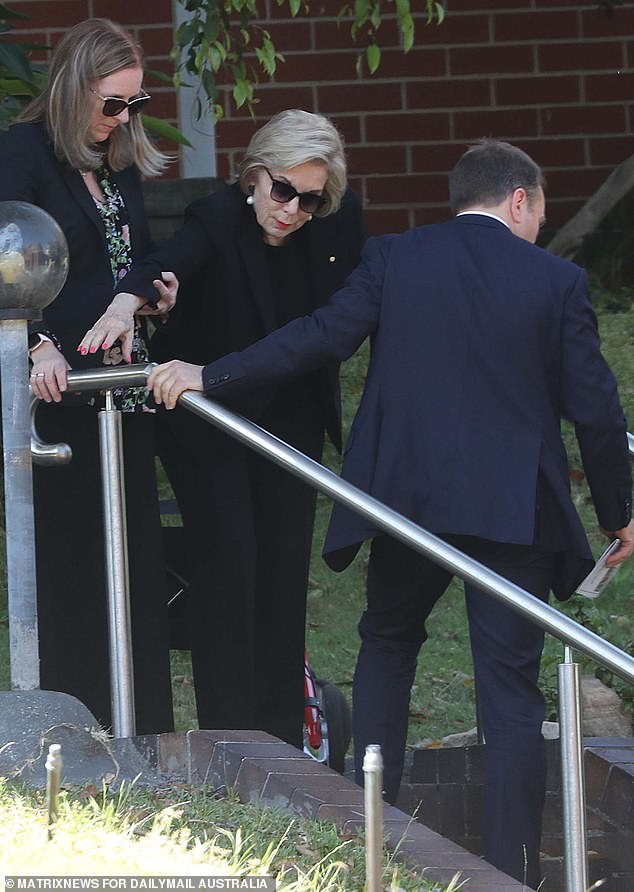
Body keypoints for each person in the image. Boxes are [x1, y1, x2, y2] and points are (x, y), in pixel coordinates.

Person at [142, 139, 633, 887]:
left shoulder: (398, 259)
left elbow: (320, 338)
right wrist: (619, 510)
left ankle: (371, 840)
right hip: (512, 513)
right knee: (510, 692)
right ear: (521, 200)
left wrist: (213, 373)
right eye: (539, 212)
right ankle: (511, 869)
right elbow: (595, 410)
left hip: (405, 505)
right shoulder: (555, 281)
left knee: (388, 648)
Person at [79, 110, 365, 748]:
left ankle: (282, 740)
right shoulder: (217, 216)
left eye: (310, 198)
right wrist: (130, 300)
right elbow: (167, 262)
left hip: (288, 415)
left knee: (284, 569)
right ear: (255, 176)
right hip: (208, 422)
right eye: (282, 190)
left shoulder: (336, 225)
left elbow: (331, 328)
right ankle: (231, 743)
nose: (292, 209)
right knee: (230, 565)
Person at [0, 18, 176, 734]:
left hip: (121, 392)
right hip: (60, 393)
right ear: (75, 89)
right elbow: (8, 257)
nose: (123, 119)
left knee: (133, 563)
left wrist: (136, 295)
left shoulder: (116, 161)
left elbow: (139, 251)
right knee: (72, 565)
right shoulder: (23, 153)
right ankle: (75, 735)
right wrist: (39, 344)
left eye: (135, 105)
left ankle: (142, 730)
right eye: (112, 105)